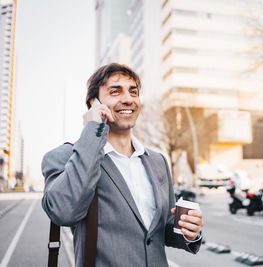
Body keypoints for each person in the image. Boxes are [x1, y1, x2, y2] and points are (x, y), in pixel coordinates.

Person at [41, 63, 204, 267]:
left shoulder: (158, 161)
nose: (128, 99)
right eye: (115, 91)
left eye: (133, 92)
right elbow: (63, 211)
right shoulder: (65, 157)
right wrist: (93, 129)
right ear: (94, 102)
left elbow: (162, 231)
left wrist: (189, 232)